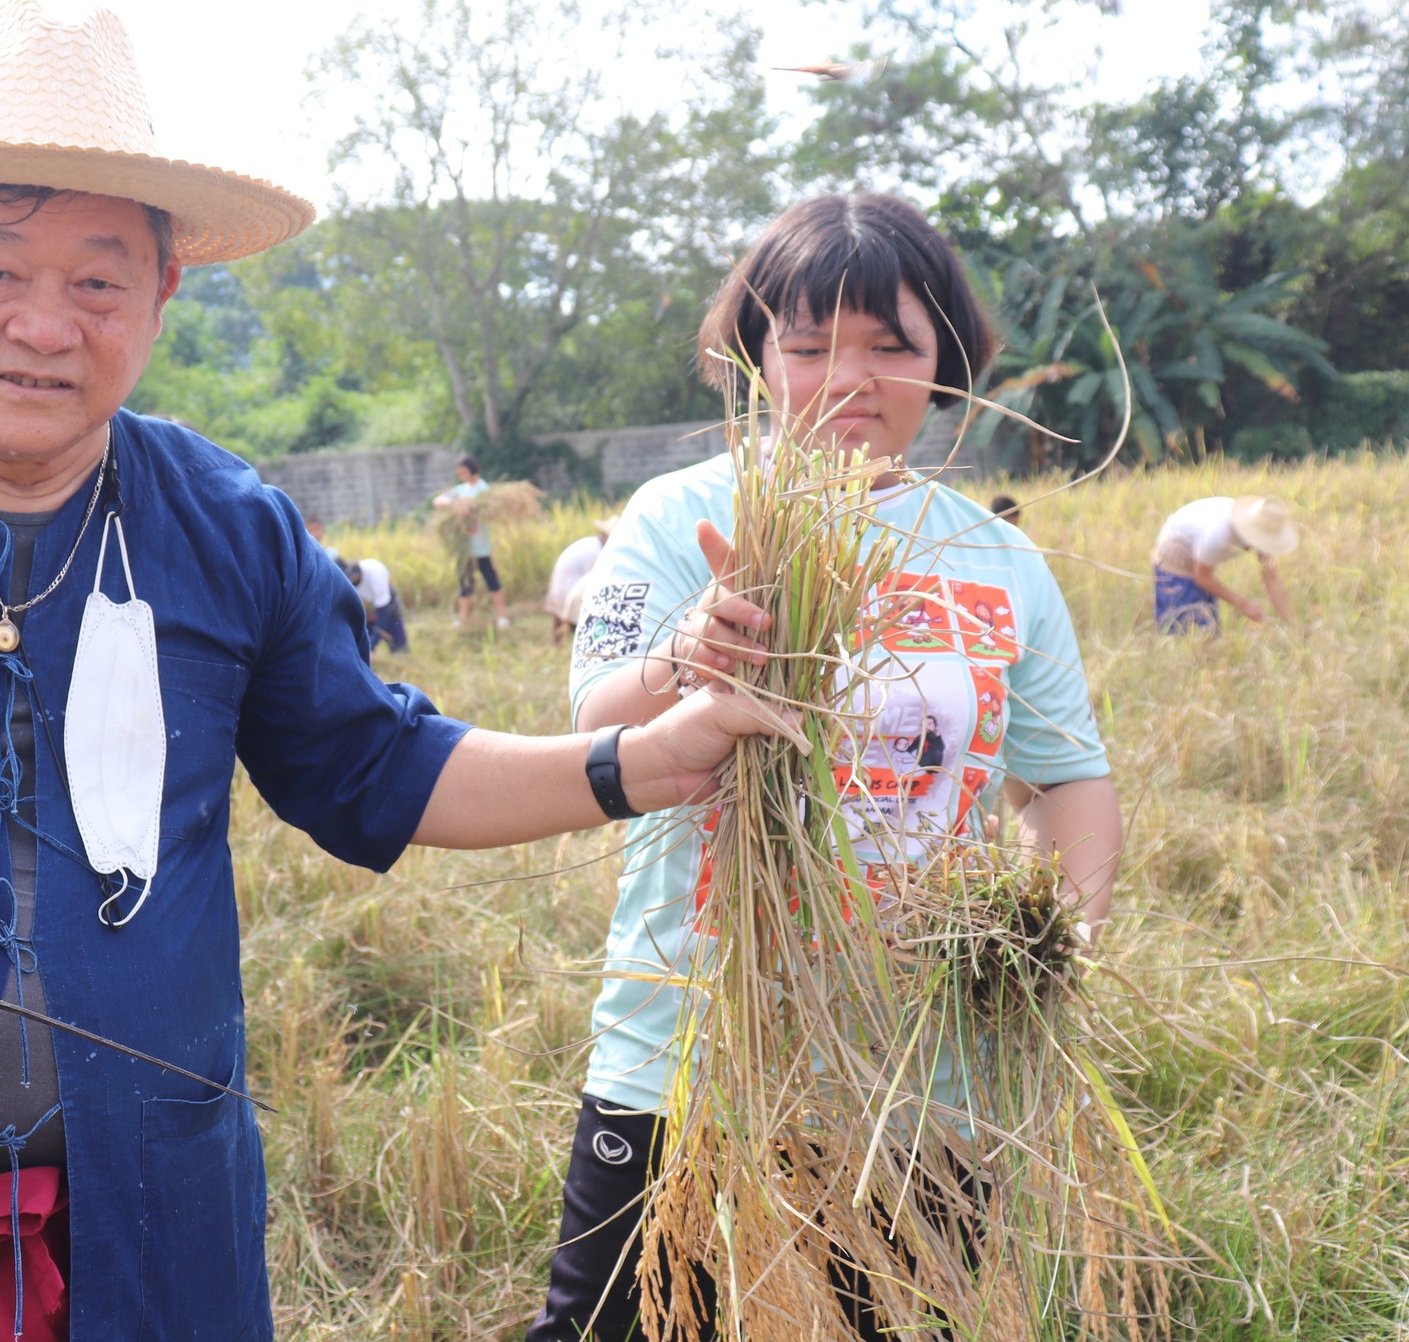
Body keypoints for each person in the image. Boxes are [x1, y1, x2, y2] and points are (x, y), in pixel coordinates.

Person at [0, 0, 790, 1342]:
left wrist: (640, 760)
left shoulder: (222, 524)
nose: (47, 325)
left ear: (163, 293)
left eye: (99, 280)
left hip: (148, 1232)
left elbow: (377, 764)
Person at [535, 193, 1122, 1341]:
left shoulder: (996, 558)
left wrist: (1055, 941)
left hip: (926, 1075)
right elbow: (588, 728)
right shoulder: (680, 515)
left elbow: (1063, 784)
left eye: (886, 346)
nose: (845, 378)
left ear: (944, 361)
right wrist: (687, 648)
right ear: (751, 360)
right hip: (688, 1056)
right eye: (805, 347)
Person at [1151, 494, 1298, 634]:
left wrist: (1293, 625)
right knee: (1182, 628)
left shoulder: (1264, 534)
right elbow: (1202, 576)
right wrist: (1243, 604)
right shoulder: (1219, 534)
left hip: (1200, 557)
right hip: (1175, 558)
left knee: (1208, 630)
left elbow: (1271, 578)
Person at [433, 454, 511, 628]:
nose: (460, 475)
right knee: (465, 583)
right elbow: (438, 501)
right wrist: (453, 505)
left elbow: (492, 511)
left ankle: (502, 615)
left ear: (471, 469)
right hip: (464, 548)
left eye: (463, 471)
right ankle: (464, 618)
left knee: (491, 579)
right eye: (458, 473)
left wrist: (471, 510)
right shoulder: (461, 490)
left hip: (481, 546)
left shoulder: (484, 490)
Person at [545, 517, 615, 646]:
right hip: (569, 583)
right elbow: (593, 578)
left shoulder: (591, 543)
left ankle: (557, 646)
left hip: (563, 580)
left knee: (560, 618)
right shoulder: (596, 551)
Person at [340, 555, 406, 657]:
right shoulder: (345, 580)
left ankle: (399, 651)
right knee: (364, 629)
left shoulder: (375, 575)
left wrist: (373, 642)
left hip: (386, 603)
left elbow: (383, 612)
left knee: (394, 627)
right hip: (366, 605)